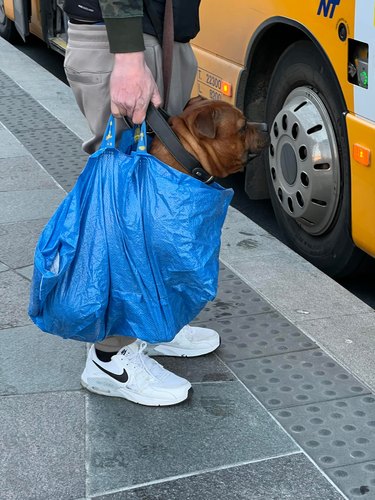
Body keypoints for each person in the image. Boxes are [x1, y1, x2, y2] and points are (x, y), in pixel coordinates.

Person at [63, 0, 221, 406]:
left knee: (156, 201)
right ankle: (109, 358)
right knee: (127, 208)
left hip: (163, 36)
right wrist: (129, 54)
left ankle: (151, 321)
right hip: (127, 40)